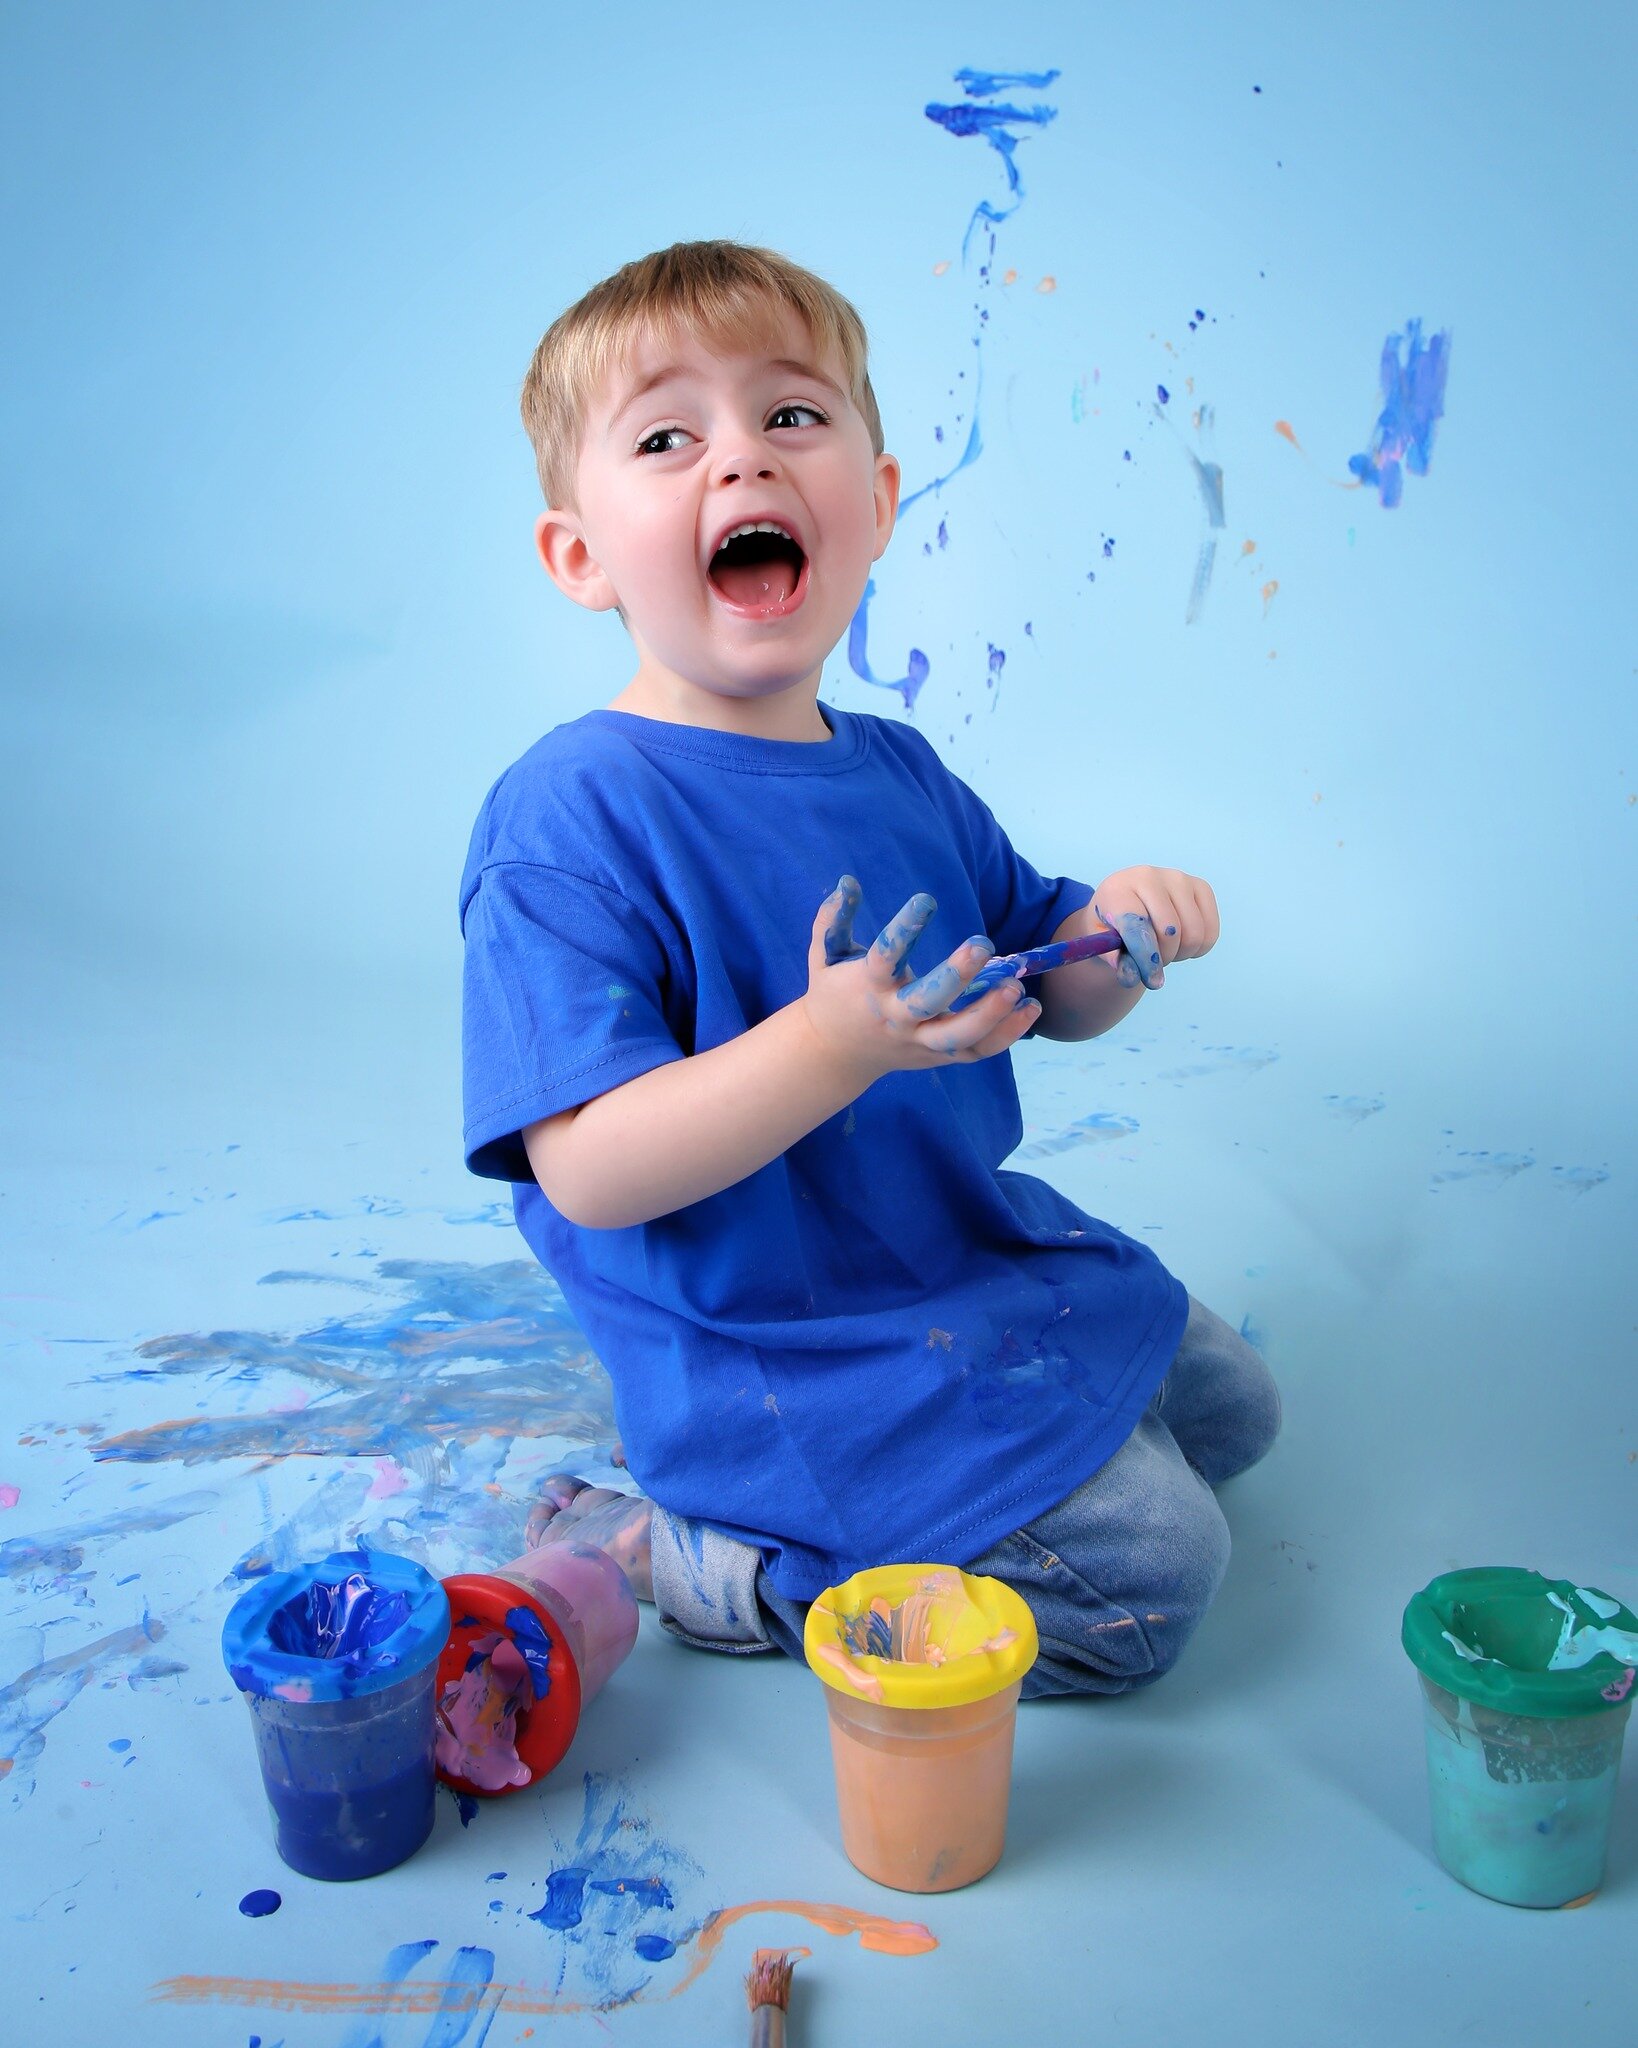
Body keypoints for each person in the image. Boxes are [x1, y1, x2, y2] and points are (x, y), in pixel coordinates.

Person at [460, 239, 1280, 1697]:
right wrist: (827, 1048)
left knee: (1236, 1418)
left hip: (953, 1264)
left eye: (791, 418)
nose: (741, 466)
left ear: (878, 499)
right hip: (775, 1347)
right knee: (1151, 1580)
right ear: (578, 554)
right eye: (666, 439)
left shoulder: (897, 768)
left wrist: (1124, 935)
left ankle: (994, 1469)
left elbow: (1045, 974)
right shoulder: (569, 816)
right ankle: (709, 1560)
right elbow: (585, 1170)